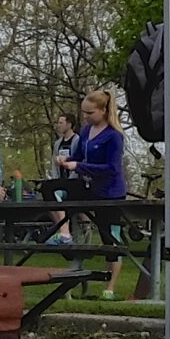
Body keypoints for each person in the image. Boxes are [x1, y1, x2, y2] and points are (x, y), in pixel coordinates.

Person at [57, 87, 128, 288]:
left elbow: (112, 169)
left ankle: (110, 287)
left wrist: (79, 166)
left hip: (111, 193)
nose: (86, 117)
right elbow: (79, 156)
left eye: (90, 113)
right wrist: (67, 160)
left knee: (109, 240)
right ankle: (63, 234)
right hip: (91, 187)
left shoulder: (114, 136)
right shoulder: (87, 131)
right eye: (84, 113)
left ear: (104, 110)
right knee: (57, 191)